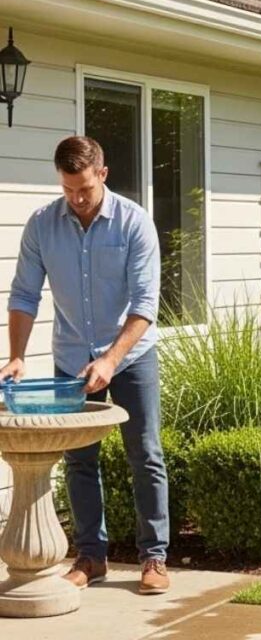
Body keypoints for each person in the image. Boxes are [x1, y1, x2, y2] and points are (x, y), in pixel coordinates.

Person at [0, 136, 170, 594]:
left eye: (85, 190)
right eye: (68, 189)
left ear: (103, 175)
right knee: (78, 460)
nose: (76, 199)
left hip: (131, 356)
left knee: (145, 455)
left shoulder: (135, 223)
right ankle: (91, 557)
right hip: (72, 358)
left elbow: (145, 304)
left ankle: (153, 558)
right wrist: (16, 354)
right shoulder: (42, 225)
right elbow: (23, 295)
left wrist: (111, 360)